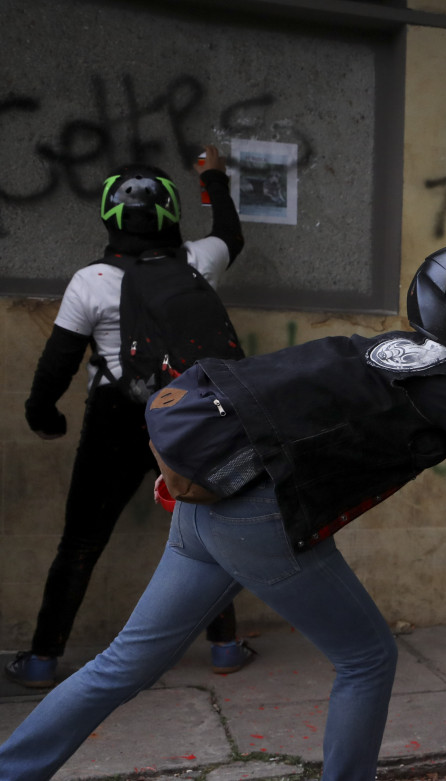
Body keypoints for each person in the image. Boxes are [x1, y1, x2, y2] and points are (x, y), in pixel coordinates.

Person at [0, 241, 446, 781]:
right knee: (368, 655)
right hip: (261, 514)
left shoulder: (394, 349)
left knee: (124, 662)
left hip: (214, 499)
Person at [6, 146, 251, 690]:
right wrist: (212, 176)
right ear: (169, 212)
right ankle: (226, 647)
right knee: (205, 531)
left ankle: (43, 658)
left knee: (81, 541)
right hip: (188, 414)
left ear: (108, 213)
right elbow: (231, 233)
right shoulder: (198, 261)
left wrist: (43, 417)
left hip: (115, 418)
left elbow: (56, 367)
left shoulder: (90, 280)